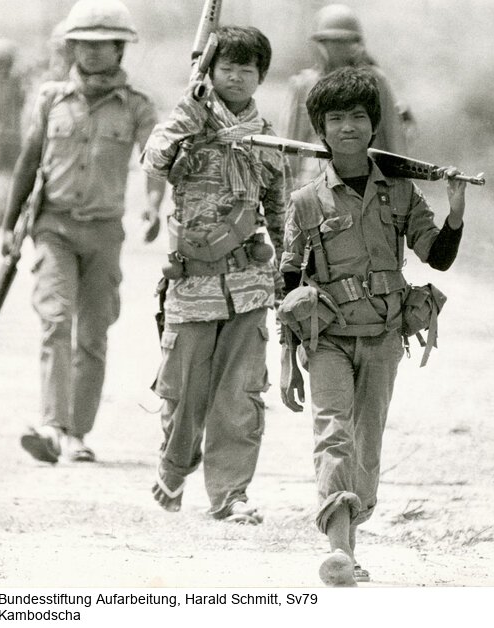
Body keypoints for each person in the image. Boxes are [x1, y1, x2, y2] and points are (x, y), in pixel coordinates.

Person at [278, 67, 467, 585]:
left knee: (367, 445)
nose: (347, 127)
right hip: (327, 340)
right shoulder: (305, 202)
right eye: (335, 118)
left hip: (383, 338)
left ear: (373, 125)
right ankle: (338, 546)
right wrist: (287, 365)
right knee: (333, 434)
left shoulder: (401, 194)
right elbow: (289, 288)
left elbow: (437, 257)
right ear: (320, 129)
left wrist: (455, 212)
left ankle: (350, 546)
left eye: (358, 117)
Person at [1, 0, 165, 464]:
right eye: (82, 44)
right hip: (53, 227)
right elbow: (28, 162)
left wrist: (153, 206)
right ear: (70, 46)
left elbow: (155, 162)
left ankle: (76, 432)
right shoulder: (50, 98)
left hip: (104, 233)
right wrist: (10, 224)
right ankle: (51, 426)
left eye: (102, 45)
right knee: (55, 321)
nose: (91, 53)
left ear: (120, 49)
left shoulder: (137, 106)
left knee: (93, 334)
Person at [141, 26, 291, 524]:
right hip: (192, 285)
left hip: (248, 286)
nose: (236, 76)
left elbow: (279, 211)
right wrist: (186, 113)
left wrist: (288, 278)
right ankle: (174, 466)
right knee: (184, 394)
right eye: (226, 67)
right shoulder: (189, 121)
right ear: (210, 70)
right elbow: (154, 161)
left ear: (260, 78)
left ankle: (230, 494)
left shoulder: (267, 141)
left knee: (240, 396)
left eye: (247, 69)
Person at [278, 4, 409, 188]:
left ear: (357, 43)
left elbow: (395, 139)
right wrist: (287, 193)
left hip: (367, 181)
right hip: (315, 182)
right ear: (319, 44)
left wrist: (402, 186)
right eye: (331, 42)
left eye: (345, 41)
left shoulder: (376, 81)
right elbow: (289, 145)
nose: (338, 48)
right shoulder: (303, 85)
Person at [0, 38, 26, 225]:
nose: (1, 65)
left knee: (15, 179)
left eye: (4, 61)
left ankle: (7, 214)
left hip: (14, 138)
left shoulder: (18, 82)